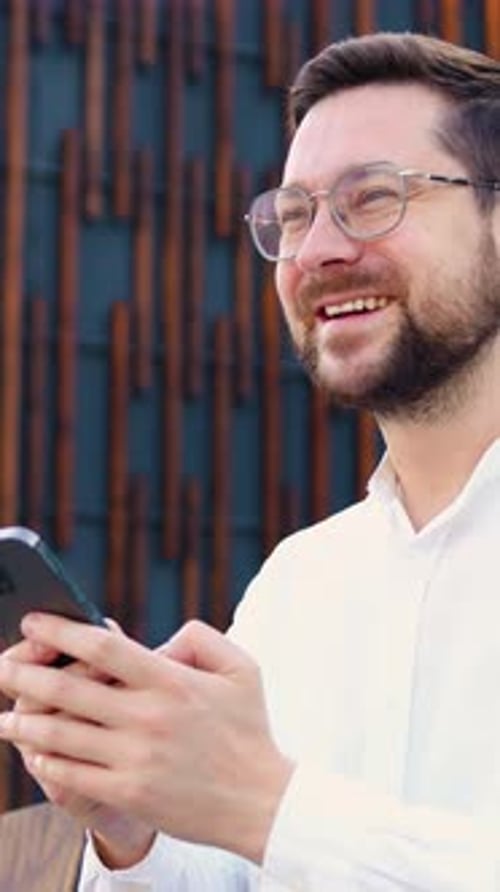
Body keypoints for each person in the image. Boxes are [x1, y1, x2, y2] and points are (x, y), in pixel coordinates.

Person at [1, 29, 500, 891]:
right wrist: (135, 829)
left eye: (373, 198)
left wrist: (265, 804)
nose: (315, 253)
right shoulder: (298, 584)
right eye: (295, 215)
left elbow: (270, 822)